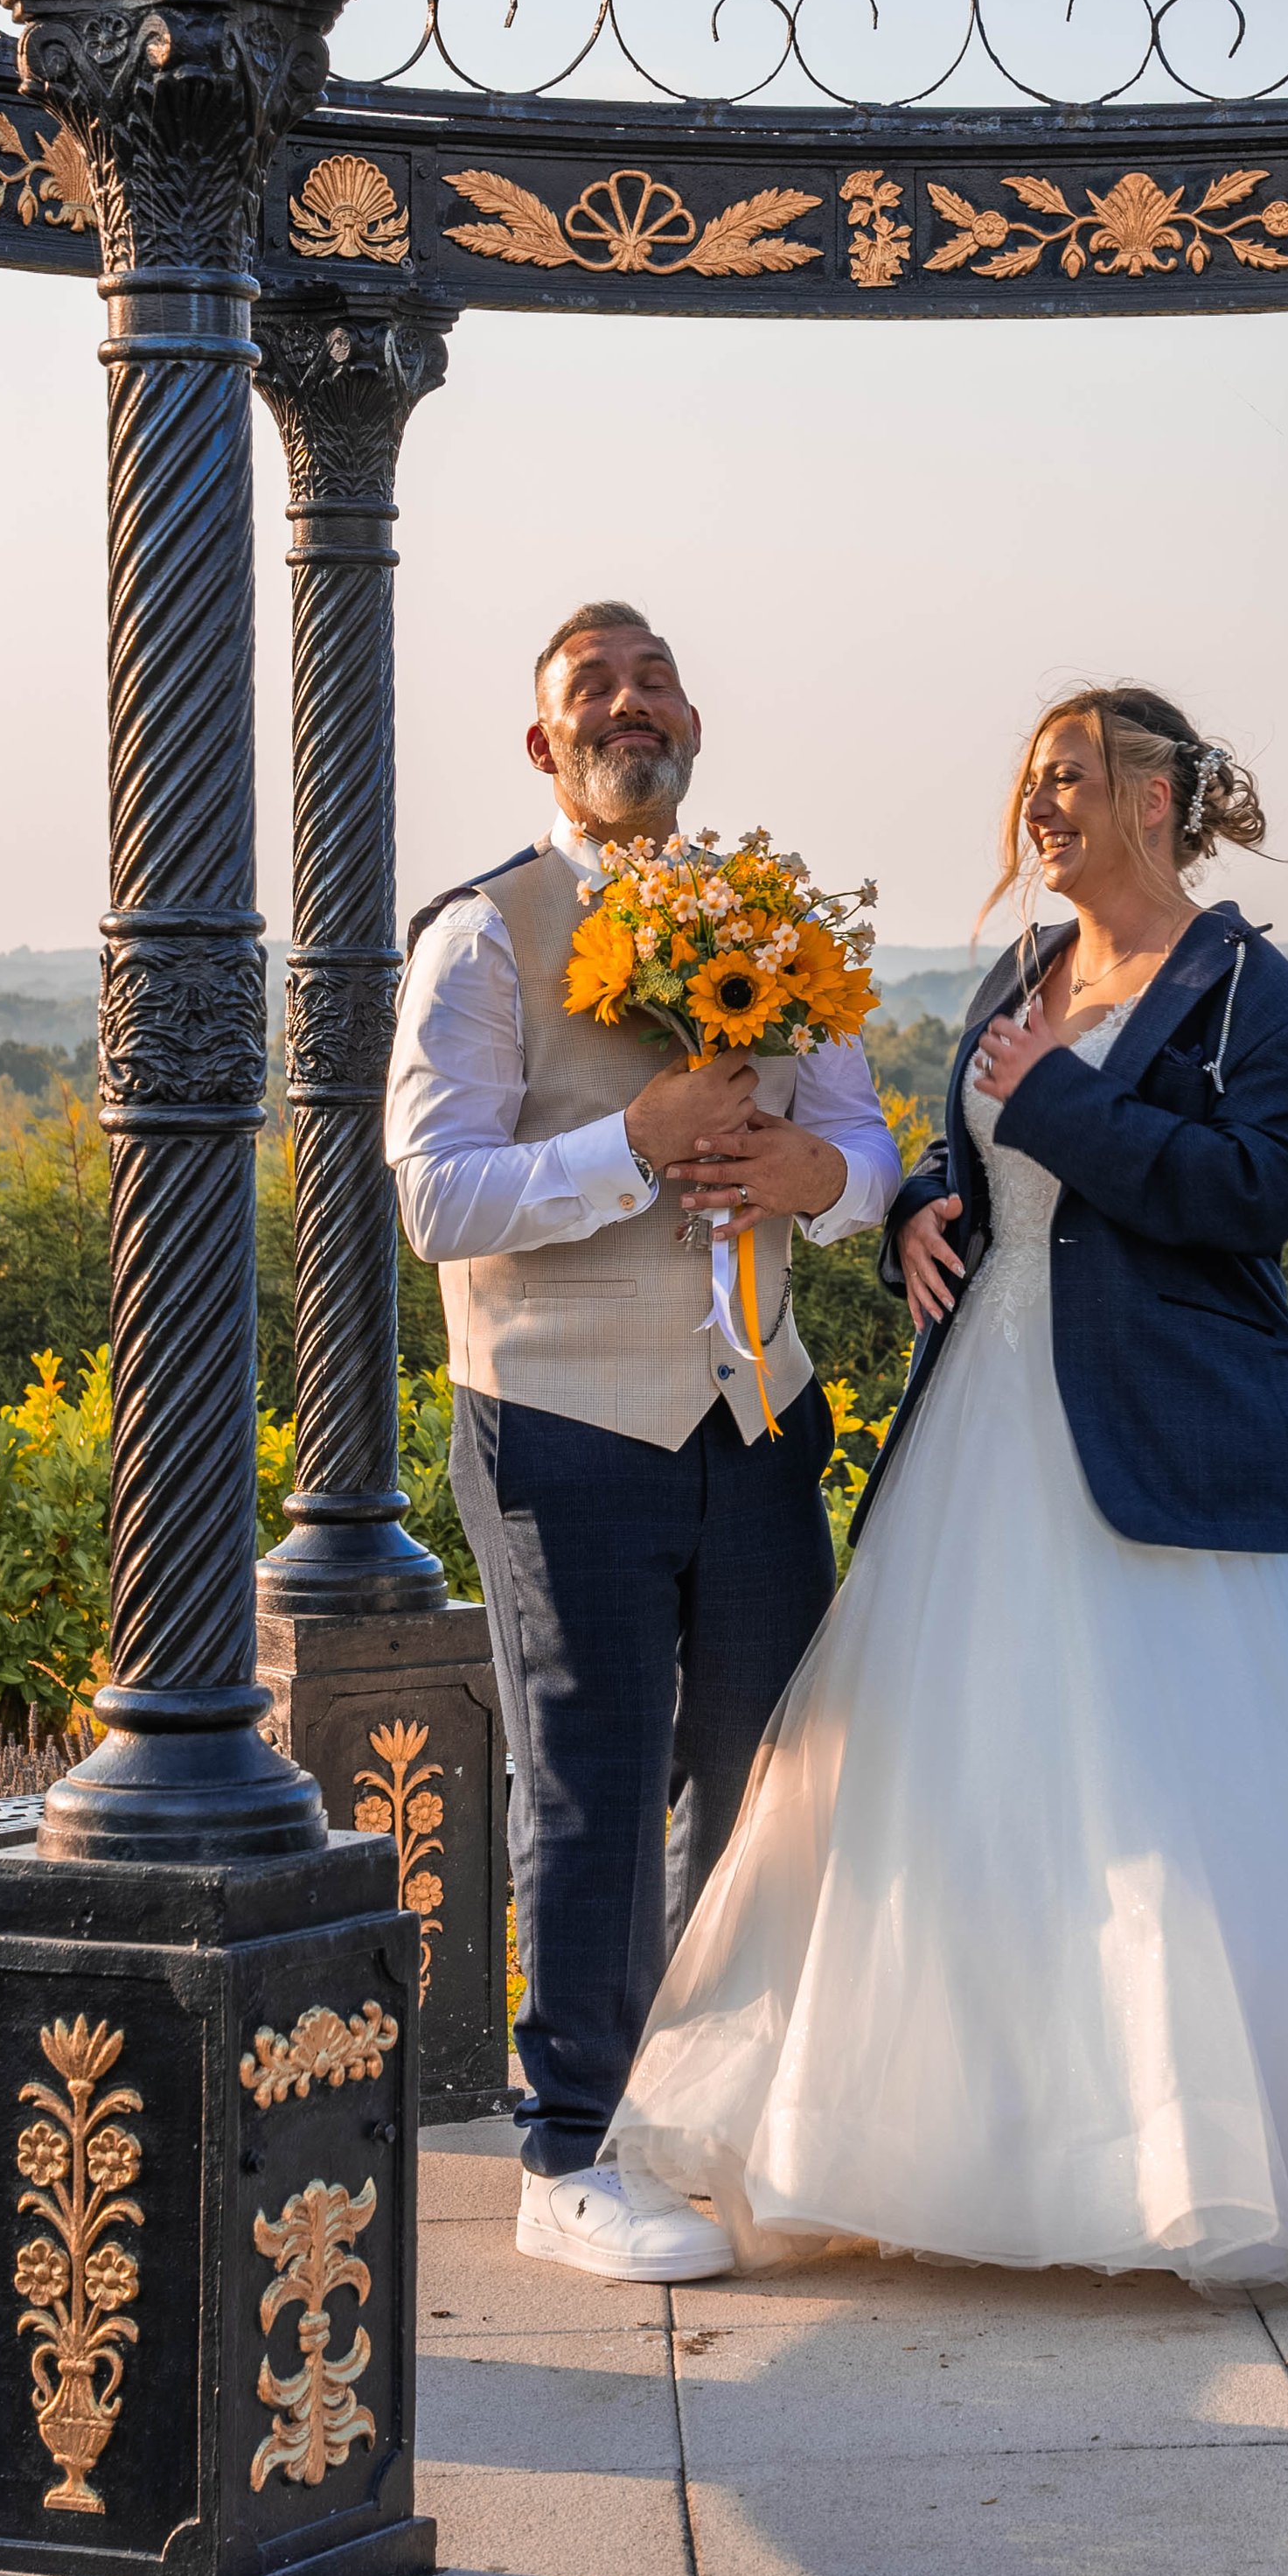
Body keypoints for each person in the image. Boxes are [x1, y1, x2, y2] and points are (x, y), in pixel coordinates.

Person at [605, 684, 1288, 2293]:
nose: (1038, 804)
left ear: (1162, 802)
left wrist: (1056, 1094)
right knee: (965, 1789)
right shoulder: (1018, 976)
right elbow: (979, 1164)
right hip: (982, 1420)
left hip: (1189, 1440)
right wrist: (915, 1202)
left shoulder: (1274, 1008)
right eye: (1032, 778)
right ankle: (955, 2141)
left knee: (1185, 1805)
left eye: (1073, 778)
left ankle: (1202, 2163)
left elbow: (1249, 1201)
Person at [386, 602, 901, 2283]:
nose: (631, 704)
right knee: (592, 1779)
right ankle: (570, 2151)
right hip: (560, 1417)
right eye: (592, 689)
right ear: (546, 747)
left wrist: (816, 1185)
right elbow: (436, 1194)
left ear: (696, 725)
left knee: (759, 1779)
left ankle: (709, 2113)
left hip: (755, 1411)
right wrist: (638, 1140)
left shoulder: (779, 925)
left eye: (656, 677)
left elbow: (863, 1140)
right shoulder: (483, 936)